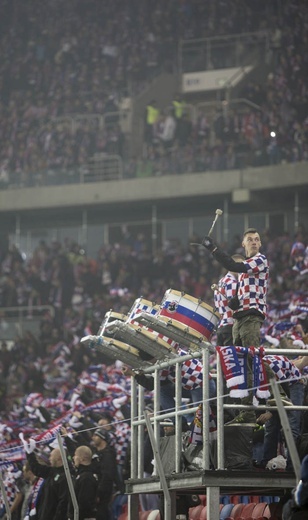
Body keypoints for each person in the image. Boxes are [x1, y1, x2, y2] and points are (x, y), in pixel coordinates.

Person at [203, 228, 270, 424]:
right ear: (244, 244)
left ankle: (275, 395)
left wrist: (213, 249)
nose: (254, 242)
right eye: (250, 239)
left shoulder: (260, 260)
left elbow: (233, 264)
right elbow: (238, 297)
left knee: (253, 359)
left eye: (257, 239)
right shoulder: (243, 274)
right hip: (239, 319)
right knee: (242, 366)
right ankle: (246, 411)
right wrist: (234, 303)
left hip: (251, 317)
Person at [19, 434, 69, 520]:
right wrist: (29, 453)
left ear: (59, 458)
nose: (49, 458)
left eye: (51, 455)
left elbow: (63, 503)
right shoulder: (51, 471)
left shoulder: (65, 476)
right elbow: (36, 469)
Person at [213, 254, 245, 346]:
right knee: (233, 359)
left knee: (222, 360)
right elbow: (233, 307)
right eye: (240, 265)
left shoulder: (221, 281)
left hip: (221, 327)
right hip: (230, 327)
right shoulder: (232, 283)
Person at [91, 429, 117, 520]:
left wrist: (99, 493)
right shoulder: (96, 453)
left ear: (103, 438)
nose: (93, 437)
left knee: (102, 514)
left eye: (96, 435)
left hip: (103, 494)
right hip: (96, 492)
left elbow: (107, 476)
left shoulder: (108, 455)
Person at [68, 445, 98, 520]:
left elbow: (84, 502)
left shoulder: (86, 478)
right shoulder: (81, 475)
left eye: (75, 455)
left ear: (82, 459)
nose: (73, 458)